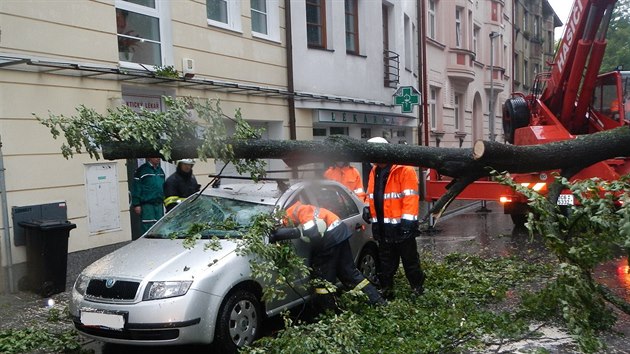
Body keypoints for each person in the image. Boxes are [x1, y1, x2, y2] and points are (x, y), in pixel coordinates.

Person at [275, 200, 386, 310]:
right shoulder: (299, 208)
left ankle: (329, 311)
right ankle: (378, 302)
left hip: (330, 238)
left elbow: (312, 232)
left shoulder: (295, 211)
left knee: (323, 280)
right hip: (339, 232)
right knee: (349, 273)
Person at [365, 137, 425, 299]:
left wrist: (407, 223)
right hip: (383, 226)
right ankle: (387, 290)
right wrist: (366, 206)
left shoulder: (404, 170)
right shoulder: (374, 171)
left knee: (409, 260)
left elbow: (410, 198)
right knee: (386, 262)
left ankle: (417, 288)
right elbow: (371, 194)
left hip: (402, 226)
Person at [131, 157, 165, 233]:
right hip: (147, 205)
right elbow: (136, 188)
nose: (158, 158)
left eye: (159, 157)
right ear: (149, 158)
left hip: (159, 204)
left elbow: (163, 187)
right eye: (155, 156)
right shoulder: (142, 170)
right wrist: (136, 204)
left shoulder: (160, 170)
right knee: (148, 227)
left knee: (160, 227)